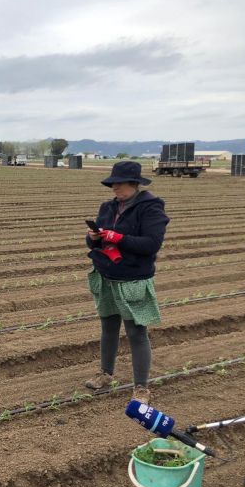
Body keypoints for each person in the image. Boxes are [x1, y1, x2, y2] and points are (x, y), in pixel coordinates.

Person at [84, 161, 170, 405]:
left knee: (136, 333)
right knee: (108, 327)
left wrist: (118, 238)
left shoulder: (150, 208)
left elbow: (152, 244)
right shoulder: (107, 207)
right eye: (113, 183)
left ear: (135, 183)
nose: (115, 187)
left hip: (133, 278)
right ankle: (105, 373)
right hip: (106, 275)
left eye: (119, 183)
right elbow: (97, 242)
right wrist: (94, 238)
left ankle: (141, 387)